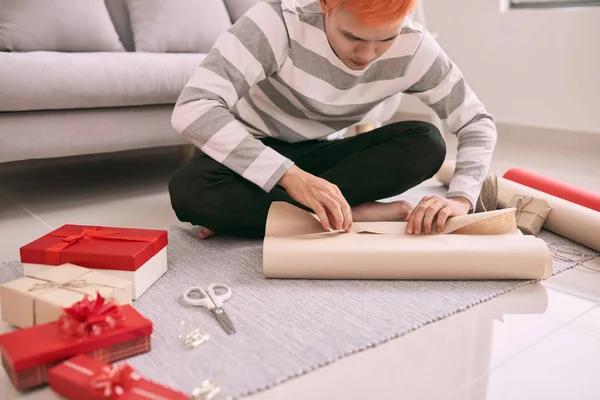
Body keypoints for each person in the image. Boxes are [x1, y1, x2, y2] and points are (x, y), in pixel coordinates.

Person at [168, 0, 497, 239]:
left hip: (324, 157)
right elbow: (193, 107)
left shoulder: (414, 46)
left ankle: (259, 215)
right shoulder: (278, 21)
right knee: (189, 188)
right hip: (256, 150)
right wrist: (290, 177)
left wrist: (460, 198)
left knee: (426, 142)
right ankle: (353, 212)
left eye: (385, 40)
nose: (367, 56)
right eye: (353, 37)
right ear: (326, 5)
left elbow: (475, 121)